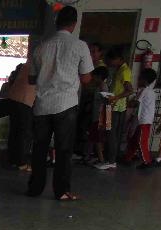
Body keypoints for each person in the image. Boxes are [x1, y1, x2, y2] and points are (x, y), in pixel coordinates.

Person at [27, 5, 94, 200]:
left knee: (39, 148)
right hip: (66, 105)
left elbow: (31, 79)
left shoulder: (41, 46)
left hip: (42, 105)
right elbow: (86, 78)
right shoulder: (80, 46)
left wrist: (47, 75)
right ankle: (62, 191)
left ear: (56, 22)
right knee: (64, 150)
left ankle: (35, 189)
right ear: (74, 24)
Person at [97, 46, 134, 170]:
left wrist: (115, 97)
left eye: (110, 60)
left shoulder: (124, 71)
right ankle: (110, 159)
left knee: (111, 134)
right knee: (110, 133)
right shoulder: (119, 69)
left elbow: (130, 90)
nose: (109, 62)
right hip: (112, 106)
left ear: (118, 59)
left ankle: (111, 161)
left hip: (115, 108)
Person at [122, 68, 158, 168]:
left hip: (144, 121)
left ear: (144, 80)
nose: (138, 79)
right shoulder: (150, 91)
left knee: (142, 142)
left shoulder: (145, 91)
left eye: (140, 78)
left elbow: (135, 103)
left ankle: (147, 162)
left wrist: (123, 102)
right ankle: (127, 157)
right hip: (143, 121)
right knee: (134, 140)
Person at [6, 60, 36, 170]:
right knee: (25, 132)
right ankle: (21, 162)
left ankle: (13, 160)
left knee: (14, 131)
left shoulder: (27, 64)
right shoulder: (39, 65)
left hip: (13, 98)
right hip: (25, 100)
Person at [86, 66, 111, 166]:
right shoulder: (99, 86)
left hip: (100, 118)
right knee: (93, 137)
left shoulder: (103, 87)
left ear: (99, 76)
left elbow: (108, 102)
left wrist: (107, 121)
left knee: (97, 139)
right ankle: (90, 156)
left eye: (94, 76)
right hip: (96, 117)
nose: (93, 78)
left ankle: (101, 160)